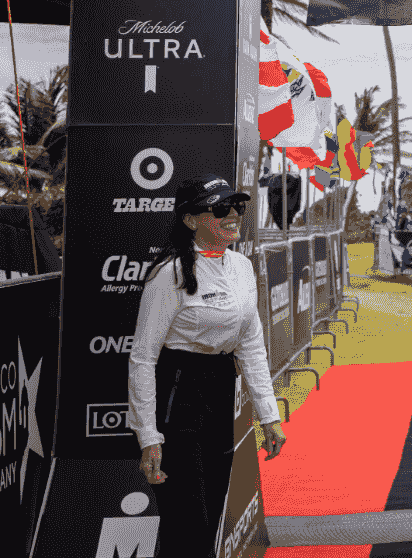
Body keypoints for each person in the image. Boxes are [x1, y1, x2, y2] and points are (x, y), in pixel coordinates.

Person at [129, 174, 287, 558]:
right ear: (190, 220)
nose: (233, 215)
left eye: (237, 207)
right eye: (220, 209)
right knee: (188, 521)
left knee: (211, 510)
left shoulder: (242, 267)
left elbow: (251, 346)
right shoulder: (170, 273)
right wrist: (148, 436)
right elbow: (143, 358)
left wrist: (269, 416)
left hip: (218, 389)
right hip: (177, 390)